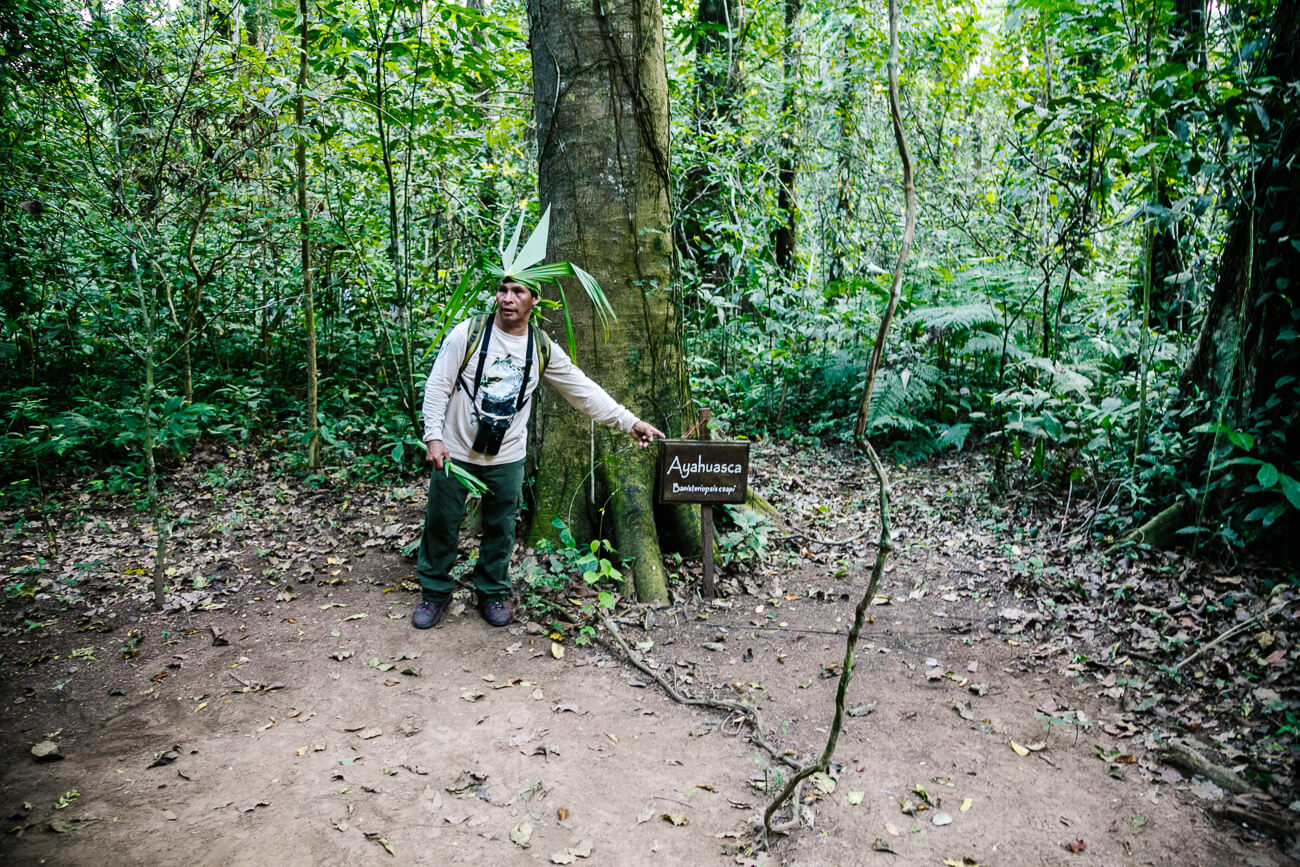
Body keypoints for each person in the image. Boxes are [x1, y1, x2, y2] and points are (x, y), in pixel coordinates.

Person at [412, 279, 664, 629]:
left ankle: (492, 591)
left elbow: (582, 390)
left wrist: (629, 422)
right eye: (502, 290)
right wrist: (434, 438)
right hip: (455, 449)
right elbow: (438, 384)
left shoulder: (540, 347)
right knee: (441, 522)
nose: (507, 299)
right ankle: (435, 592)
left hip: (507, 455)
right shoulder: (468, 334)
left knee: (501, 527)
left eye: (518, 292)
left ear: (535, 300)